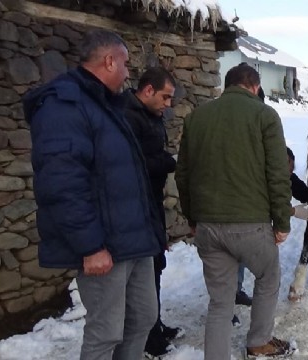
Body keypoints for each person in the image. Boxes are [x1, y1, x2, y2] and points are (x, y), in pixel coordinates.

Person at [23, 29, 163, 359]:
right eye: (126, 64)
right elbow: (61, 183)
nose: (129, 73)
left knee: (143, 317)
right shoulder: (64, 105)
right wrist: (90, 246)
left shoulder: (105, 104)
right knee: (106, 331)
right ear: (109, 60)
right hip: (105, 246)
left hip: (134, 241)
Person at [175, 63, 295, 359]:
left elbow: (183, 174)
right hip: (250, 225)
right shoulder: (264, 115)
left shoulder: (196, 118)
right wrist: (281, 222)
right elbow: (278, 174)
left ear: (227, 86)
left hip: (207, 226)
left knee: (220, 301)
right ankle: (258, 342)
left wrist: (193, 218)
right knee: (269, 277)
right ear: (254, 87)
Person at [123, 66, 183, 357]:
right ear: (147, 91)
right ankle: (147, 336)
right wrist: (172, 163)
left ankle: (154, 325)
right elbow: (133, 166)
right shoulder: (128, 117)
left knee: (156, 266)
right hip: (135, 208)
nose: (168, 104)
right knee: (144, 273)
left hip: (151, 204)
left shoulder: (150, 115)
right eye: (165, 97)